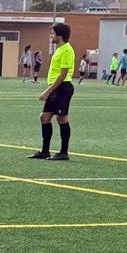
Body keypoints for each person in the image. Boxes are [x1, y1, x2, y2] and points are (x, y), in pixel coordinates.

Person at [29, 22, 76, 161]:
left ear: (59, 35)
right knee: (44, 117)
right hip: (56, 88)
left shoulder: (67, 50)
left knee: (62, 119)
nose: (50, 36)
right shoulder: (60, 49)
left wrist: (47, 91)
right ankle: (45, 151)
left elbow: (62, 75)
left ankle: (63, 152)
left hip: (63, 88)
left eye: (53, 33)